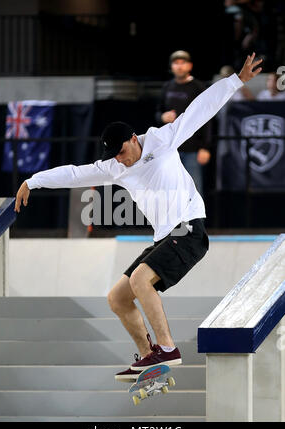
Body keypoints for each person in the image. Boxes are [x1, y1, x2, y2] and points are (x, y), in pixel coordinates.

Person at [14, 53, 262, 382]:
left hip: (189, 229)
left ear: (133, 140)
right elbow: (75, 173)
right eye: (114, 157)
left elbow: (199, 111)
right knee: (117, 297)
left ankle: (167, 349)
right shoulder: (114, 167)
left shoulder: (162, 139)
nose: (121, 161)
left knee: (140, 279)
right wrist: (33, 180)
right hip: (166, 237)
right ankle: (148, 357)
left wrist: (236, 81)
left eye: (122, 152)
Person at [155, 50, 211, 196]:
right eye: (176, 63)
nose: (179, 66)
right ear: (171, 67)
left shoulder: (198, 87)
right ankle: (173, 219)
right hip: (170, 148)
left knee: (193, 190)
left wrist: (205, 147)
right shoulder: (167, 87)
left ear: (190, 66)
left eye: (183, 63)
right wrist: (162, 117)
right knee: (170, 190)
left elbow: (207, 117)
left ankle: (195, 220)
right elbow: (157, 113)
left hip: (192, 148)